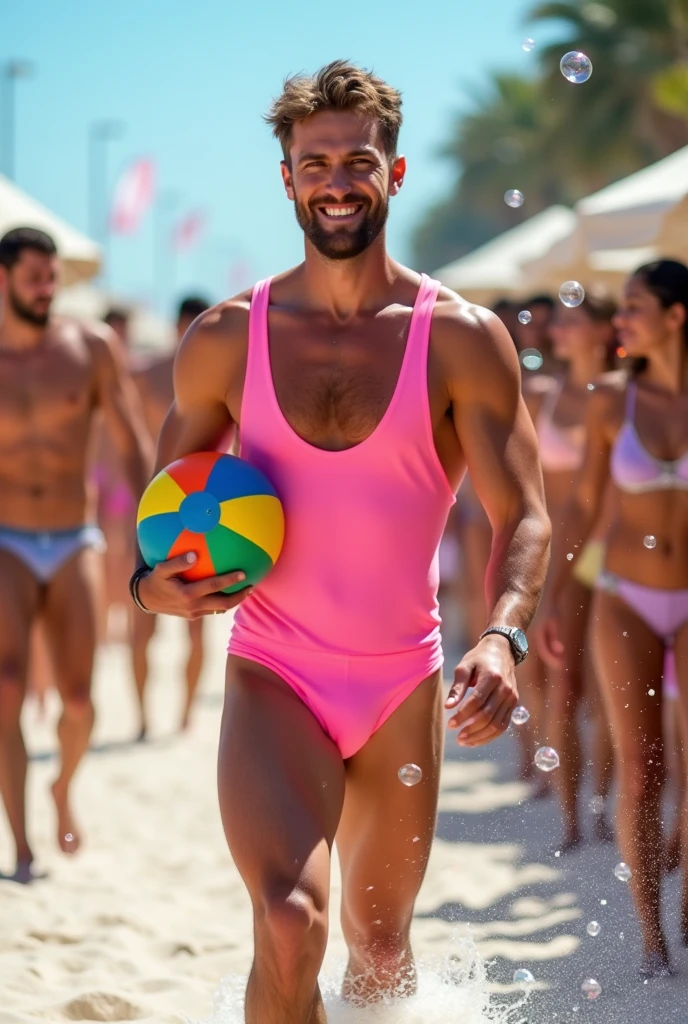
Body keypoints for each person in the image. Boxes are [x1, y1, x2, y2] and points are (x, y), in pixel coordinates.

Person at [132, 61, 550, 1020]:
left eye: (358, 160)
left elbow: (524, 511)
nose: (336, 182)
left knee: (382, 948)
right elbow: (159, 524)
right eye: (313, 163)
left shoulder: (460, 337)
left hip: (403, 678)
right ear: (286, 178)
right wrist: (152, 589)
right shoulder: (224, 338)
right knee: (288, 923)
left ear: (393, 175)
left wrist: (503, 634)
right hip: (274, 668)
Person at [538, 259, 688, 978]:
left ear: (676, 316)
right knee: (642, 770)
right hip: (625, 593)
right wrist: (549, 597)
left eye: (633, 308)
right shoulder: (608, 403)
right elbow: (580, 511)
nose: (620, 321)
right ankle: (652, 940)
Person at [0, 227, 151, 883]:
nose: (47, 287)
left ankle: (62, 785)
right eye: (34, 275)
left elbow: (130, 436)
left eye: (52, 276)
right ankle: (22, 845)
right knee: (3, 689)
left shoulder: (88, 347)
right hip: (4, 535)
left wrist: (155, 524)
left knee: (81, 699)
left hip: (73, 534)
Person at [526, 293, 617, 849]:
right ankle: (571, 818)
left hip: (608, 555)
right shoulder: (542, 394)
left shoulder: (623, 396)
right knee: (560, 685)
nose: (557, 329)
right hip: (555, 554)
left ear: (605, 330)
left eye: (572, 320)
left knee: (606, 691)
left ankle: (603, 805)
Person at [130, 296, 211, 738]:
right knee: (142, 618)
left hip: (203, 513)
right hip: (151, 509)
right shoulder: (145, 375)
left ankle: (185, 712)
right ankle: (143, 715)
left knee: (197, 620)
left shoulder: (222, 379)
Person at [94, 306, 141, 641]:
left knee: (121, 551)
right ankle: (107, 619)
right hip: (98, 475)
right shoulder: (94, 369)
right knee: (104, 553)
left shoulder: (132, 373)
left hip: (120, 479)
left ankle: (118, 619)